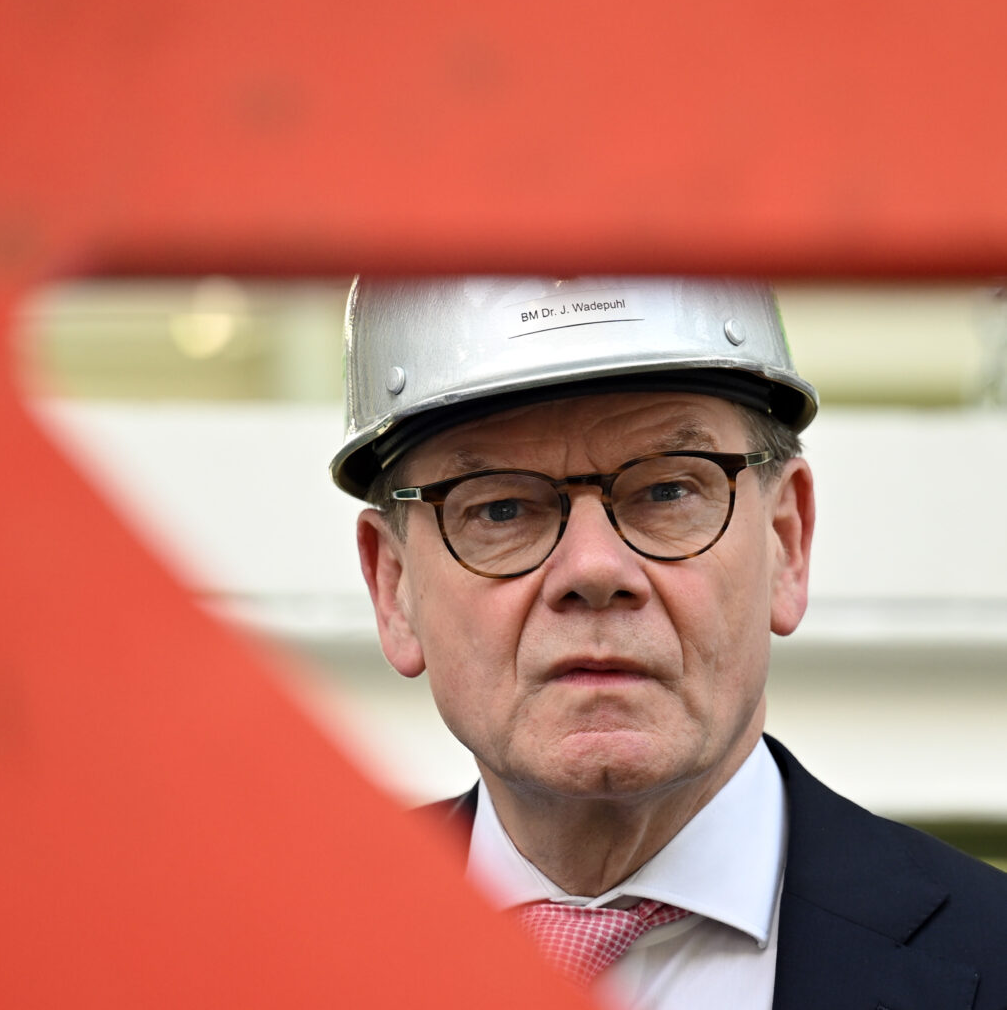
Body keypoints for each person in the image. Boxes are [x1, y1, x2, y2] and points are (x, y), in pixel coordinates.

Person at [330, 276, 1007, 1010]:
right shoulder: (248, 955)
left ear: (788, 541)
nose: (593, 568)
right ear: (393, 587)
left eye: (667, 491)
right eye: (500, 506)